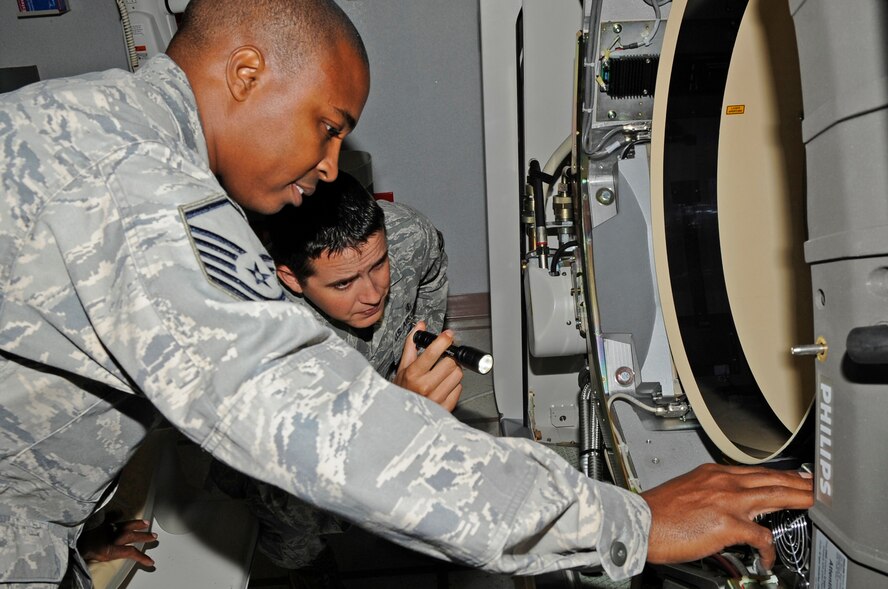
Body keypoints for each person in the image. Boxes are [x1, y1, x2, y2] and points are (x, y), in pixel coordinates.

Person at [0, 1, 812, 588]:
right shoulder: (130, 181)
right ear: (246, 72)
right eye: (328, 122)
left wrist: (63, 521)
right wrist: (629, 521)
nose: (330, 164)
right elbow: (319, 427)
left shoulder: (95, 133)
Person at [215, 173, 464, 570]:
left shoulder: (407, 234)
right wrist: (395, 413)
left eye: (379, 265)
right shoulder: (263, 337)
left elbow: (431, 271)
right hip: (290, 457)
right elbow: (304, 465)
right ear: (291, 278)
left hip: (374, 389)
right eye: (344, 283)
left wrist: (419, 349)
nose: (373, 293)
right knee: (296, 535)